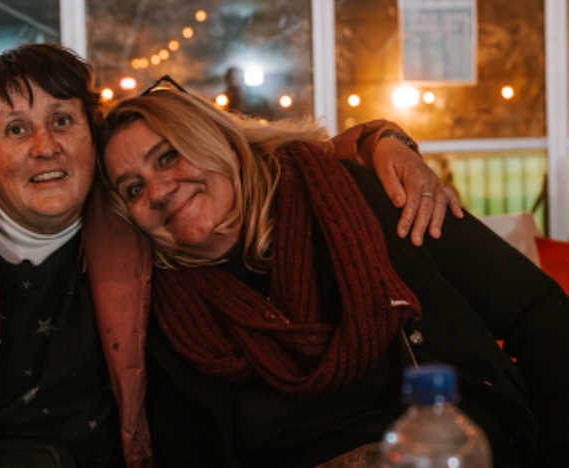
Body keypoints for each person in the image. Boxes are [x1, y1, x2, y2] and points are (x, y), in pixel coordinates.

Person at [0, 44, 458, 467]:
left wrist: (378, 141)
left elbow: (263, 161)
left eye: (62, 121)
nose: (44, 146)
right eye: (16, 130)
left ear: (90, 139)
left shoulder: (143, 219)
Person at [96, 78, 569, 466]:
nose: (157, 190)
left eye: (167, 156)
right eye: (133, 188)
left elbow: (540, 314)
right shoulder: (163, 314)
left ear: (217, 140)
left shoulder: (365, 198)